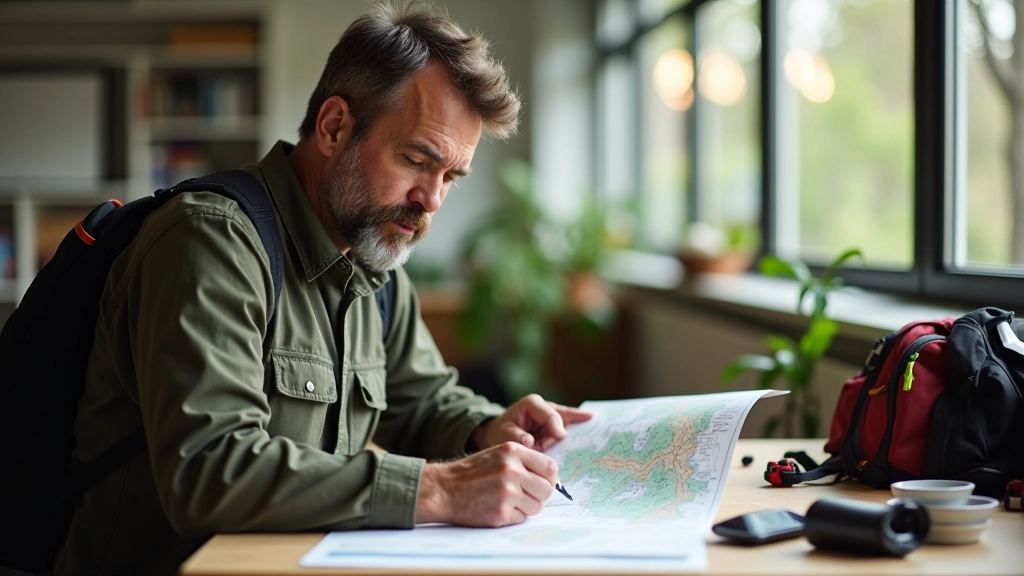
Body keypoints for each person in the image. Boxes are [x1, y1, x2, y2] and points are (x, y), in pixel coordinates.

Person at [55, 4, 592, 575]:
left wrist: (487, 429)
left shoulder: (373, 260)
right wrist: (440, 489)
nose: (431, 200)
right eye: (417, 160)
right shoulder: (211, 241)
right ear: (335, 127)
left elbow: (422, 400)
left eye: (450, 177)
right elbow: (210, 469)